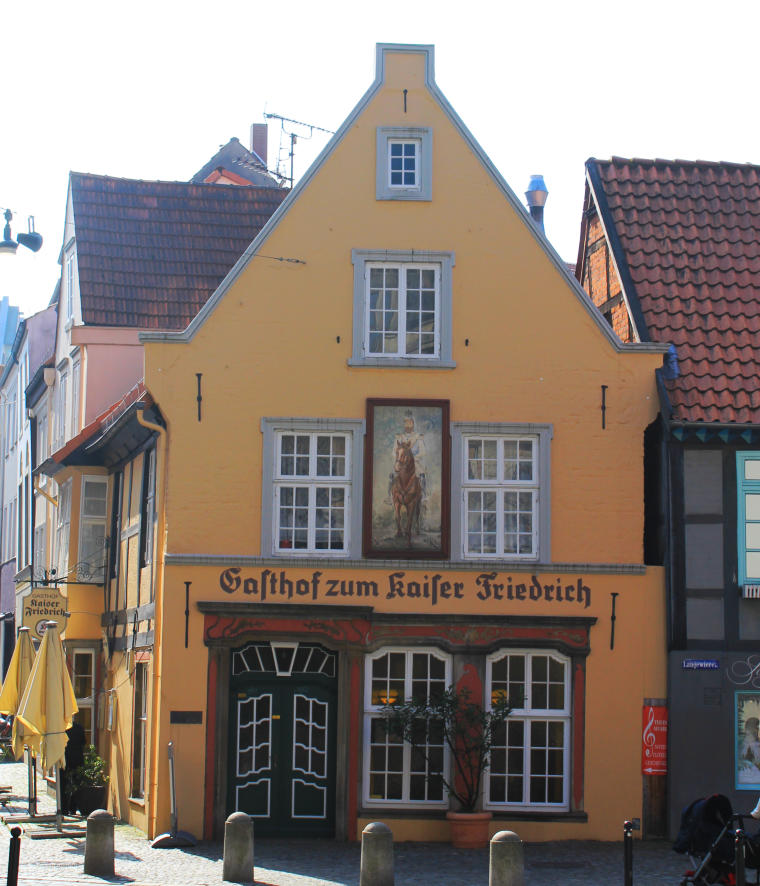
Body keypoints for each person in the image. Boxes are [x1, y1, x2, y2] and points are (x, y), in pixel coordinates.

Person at [61, 714, 86, 815]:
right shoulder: (79, 728)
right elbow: (83, 742)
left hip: (65, 759)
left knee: (63, 784)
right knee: (77, 784)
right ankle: (73, 807)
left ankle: (63, 808)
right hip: (77, 759)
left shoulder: (62, 729)